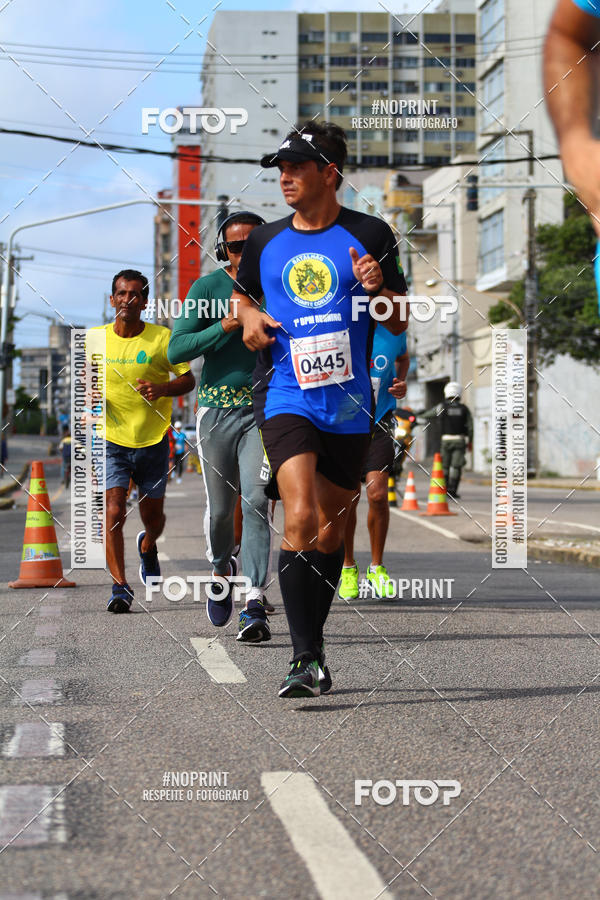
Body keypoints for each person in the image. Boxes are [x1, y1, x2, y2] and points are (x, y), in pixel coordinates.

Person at [231, 121, 409, 697]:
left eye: (297, 167)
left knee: (331, 531)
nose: (284, 177)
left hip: (351, 403)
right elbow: (243, 295)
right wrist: (250, 317)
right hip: (285, 393)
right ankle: (303, 659)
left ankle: (317, 646)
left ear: (329, 174)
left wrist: (379, 285)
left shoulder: (372, 233)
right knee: (301, 514)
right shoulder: (265, 241)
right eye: (280, 168)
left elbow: (399, 319)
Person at [168, 212, 273, 643]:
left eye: (253, 245)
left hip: (265, 411)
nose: (244, 253)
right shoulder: (207, 289)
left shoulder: (282, 284)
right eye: (235, 247)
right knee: (221, 511)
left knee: (256, 501)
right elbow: (178, 347)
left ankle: (253, 600)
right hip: (216, 410)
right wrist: (227, 324)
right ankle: (219, 568)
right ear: (222, 251)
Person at [88, 270, 194, 613]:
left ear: (145, 302)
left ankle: (148, 546)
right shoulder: (94, 339)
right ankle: (119, 586)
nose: (127, 300)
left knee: (154, 517)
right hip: (110, 439)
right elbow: (84, 385)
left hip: (152, 440)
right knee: (114, 511)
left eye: (134, 295)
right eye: (121, 293)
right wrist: (91, 397)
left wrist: (162, 388)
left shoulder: (162, 339)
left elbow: (188, 380)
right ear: (111, 299)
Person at [340, 329, 409, 601]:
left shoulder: (393, 329)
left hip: (380, 422)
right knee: (348, 499)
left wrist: (401, 381)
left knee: (378, 495)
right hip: (345, 423)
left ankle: (377, 567)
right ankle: (347, 567)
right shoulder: (343, 321)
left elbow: (403, 357)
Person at [420, 382, 473, 500]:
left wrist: (418, 414)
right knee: (456, 466)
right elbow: (470, 427)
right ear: (459, 393)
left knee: (445, 466)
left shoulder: (441, 406)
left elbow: (428, 414)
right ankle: (453, 491)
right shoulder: (464, 408)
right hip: (459, 440)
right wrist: (470, 442)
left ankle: (445, 489)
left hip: (445, 440)